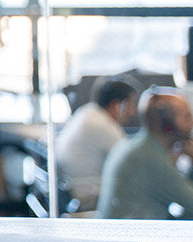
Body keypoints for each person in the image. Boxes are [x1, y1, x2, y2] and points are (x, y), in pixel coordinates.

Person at [97, 88, 193, 220]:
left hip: (129, 227)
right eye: (187, 117)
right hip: (137, 231)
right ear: (168, 127)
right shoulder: (150, 159)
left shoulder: (135, 145)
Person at [54, 77, 137, 210]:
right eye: (131, 104)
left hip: (72, 193)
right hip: (89, 198)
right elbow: (132, 166)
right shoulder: (105, 127)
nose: (133, 112)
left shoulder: (87, 112)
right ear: (117, 105)